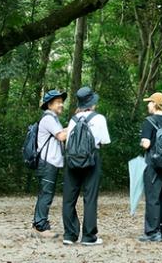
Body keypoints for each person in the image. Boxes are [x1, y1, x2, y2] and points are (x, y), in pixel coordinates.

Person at [62, 86, 111, 246]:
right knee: (90, 198)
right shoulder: (99, 119)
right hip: (92, 159)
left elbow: (67, 142)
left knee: (69, 198)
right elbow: (104, 141)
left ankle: (69, 235)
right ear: (92, 103)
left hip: (72, 161)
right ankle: (89, 236)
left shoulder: (73, 119)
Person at [139, 91, 162, 242]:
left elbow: (146, 144)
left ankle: (153, 233)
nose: (148, 104)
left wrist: (141, 141)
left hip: (153, 165)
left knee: (153, 198)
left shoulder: (149, 121)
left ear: (155, 104)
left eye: (149, 102)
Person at [32, 89, 68, 238]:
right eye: (58, 102)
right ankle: (40, 227)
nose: (61, 105)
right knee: (46, 194)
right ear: (50, 104)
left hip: (50, 163)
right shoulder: (48, 119)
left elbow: (62, 132)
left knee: (46, 193)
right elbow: (61, 136)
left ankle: (39, 225)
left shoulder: (53, 118)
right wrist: (77, 124)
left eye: (61, 102)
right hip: (47, 163)